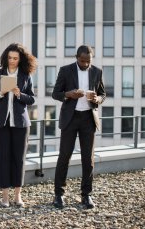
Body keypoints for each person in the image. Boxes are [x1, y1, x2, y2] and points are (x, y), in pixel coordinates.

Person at [51, 45, 106, 209]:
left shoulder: (97, 71)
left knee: (88, 159)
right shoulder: (65, 70)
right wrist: (69, 94)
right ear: (76, 58)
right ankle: (59, 195)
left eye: (88, 61)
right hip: (70, 118)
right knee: (64, 157)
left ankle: (86, 195)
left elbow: (103, 94)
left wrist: (98, 99)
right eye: (82, 61)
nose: (85, 63)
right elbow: (55, 93)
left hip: (88, 118)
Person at [0, 43, 37, 208]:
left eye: (15, 58)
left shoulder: (26, 76)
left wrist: (19, 94)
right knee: (3, 159)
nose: (12, 61)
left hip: (21, 124)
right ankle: (5, 197)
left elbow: (31, 99)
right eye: (10, 58)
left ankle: (18, 196)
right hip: (1, 123)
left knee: (19, 160)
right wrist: (2, 92)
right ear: (5, 58)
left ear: (20, 59)